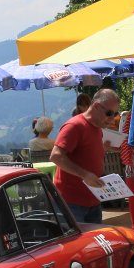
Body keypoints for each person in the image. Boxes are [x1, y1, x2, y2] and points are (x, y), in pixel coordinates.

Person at [51, 88, 117, 225]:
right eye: (109, 113)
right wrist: (85, 174)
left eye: (115, 114)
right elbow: (56, 156)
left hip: (93, 200)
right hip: (71, 203)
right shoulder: (74, 126)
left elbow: (85, 153)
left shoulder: (98, 128)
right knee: (74, 240)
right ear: (96, 106)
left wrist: (104, 148)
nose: (112, 118)